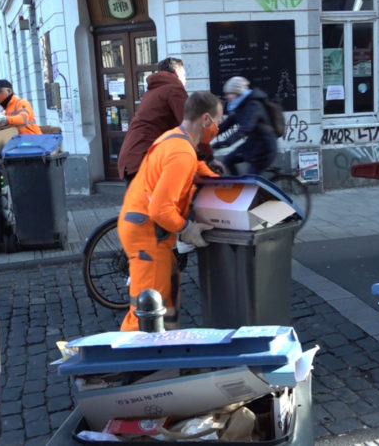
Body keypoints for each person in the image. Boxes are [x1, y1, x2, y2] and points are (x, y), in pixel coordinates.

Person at [117, 91, 223, 331]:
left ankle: (169, 358)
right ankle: (138, 365)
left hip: (145, 230)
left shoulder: (173, 139)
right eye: (218, 122)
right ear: (206, 120)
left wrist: (218, 180)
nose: (218, 129)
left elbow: (191, 167)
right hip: (148, 236)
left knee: (165, 299)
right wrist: (188, 229)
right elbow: (161, 209)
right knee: (145, 312)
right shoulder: (181, 152)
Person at [117, 57, 188, 183]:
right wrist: (207, 155)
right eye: (184, 75)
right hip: (144, 158)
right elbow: (189, 125)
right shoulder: (174, 89)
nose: (185, 80)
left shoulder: (152, 91)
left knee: (140, 202)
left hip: (132, 158)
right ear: (177, 73)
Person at [213, 76, 278, 176]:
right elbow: (226, 125)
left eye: (229, 93)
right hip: (252, 145)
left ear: (237, 93)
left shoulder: (253, 105)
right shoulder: (240, 106)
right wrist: (208, 134)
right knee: (228, 160)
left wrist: (227, 142)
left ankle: (247, 190)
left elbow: (246, 128)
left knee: (250, 179)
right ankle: (238, 187)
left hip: (264, 149)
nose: (226, 97)